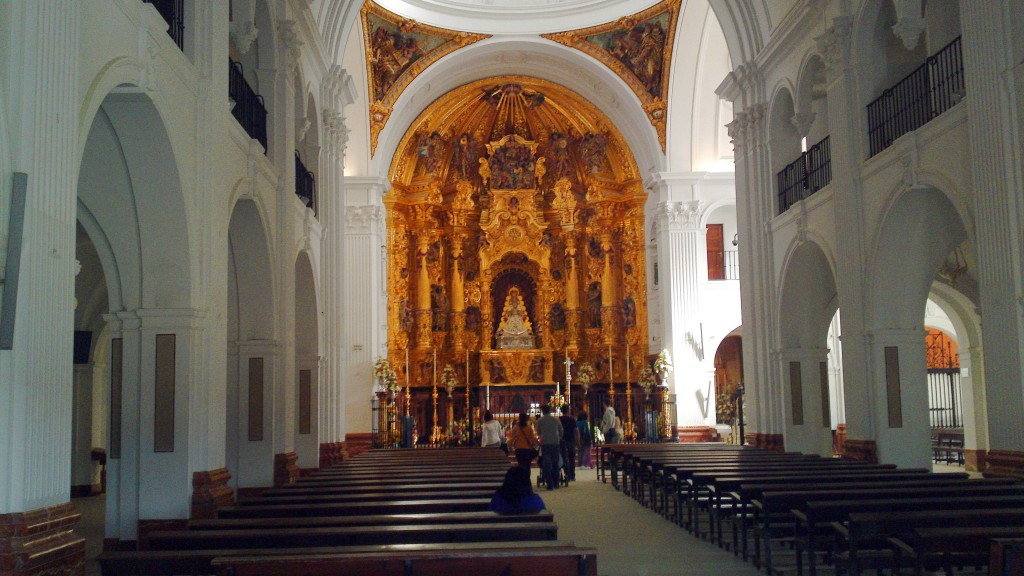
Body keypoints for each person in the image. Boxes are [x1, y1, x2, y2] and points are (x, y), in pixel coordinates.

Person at [535, 405, 563, 490]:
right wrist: (559, 438)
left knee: (547, 463)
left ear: (543, 411)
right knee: (555, 462)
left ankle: (549, 484)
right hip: (555, 442)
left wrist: (542, 436)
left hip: (545, 443)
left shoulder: (540, 420)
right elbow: (561, 430)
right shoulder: (556, 419)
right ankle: (556, 483)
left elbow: (538, 432)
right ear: (550, 410)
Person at [559, 406, 579, 481]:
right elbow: (576, 431)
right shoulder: (572, 420)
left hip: (562, 440)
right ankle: (572, 475)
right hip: (571, 440)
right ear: (568, 411)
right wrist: (578, 441)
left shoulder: (559, 419)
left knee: (564, 457)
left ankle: (566, 473)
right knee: (571, 457)